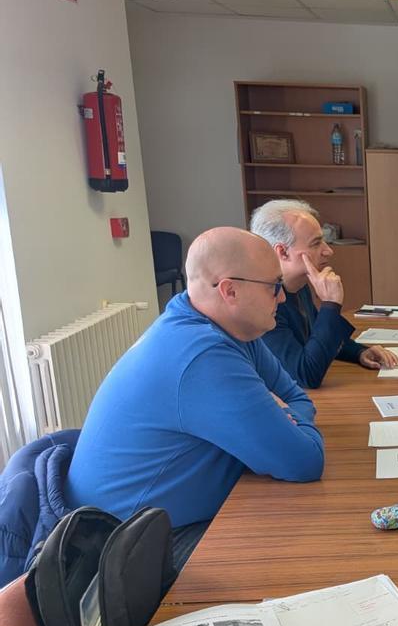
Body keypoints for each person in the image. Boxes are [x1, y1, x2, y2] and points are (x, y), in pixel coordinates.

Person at [66, 227, 325, 566]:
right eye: (274, 287)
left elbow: (298, 397)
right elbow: (304, 461)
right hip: (124, 547)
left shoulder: (229, 327)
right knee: (298, 550)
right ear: (230, 290)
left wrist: (284, 417)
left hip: (155, 522)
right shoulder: (202, 354)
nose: (281, 298)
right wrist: (283, 421)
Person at [250, 199, 398, 388]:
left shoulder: (299, 285)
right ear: (283, 252)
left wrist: (359, 352)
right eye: (316, 243)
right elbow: (306, 375)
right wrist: (330, 304)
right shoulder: (263, 304)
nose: (328, 251)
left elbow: (316, 336)